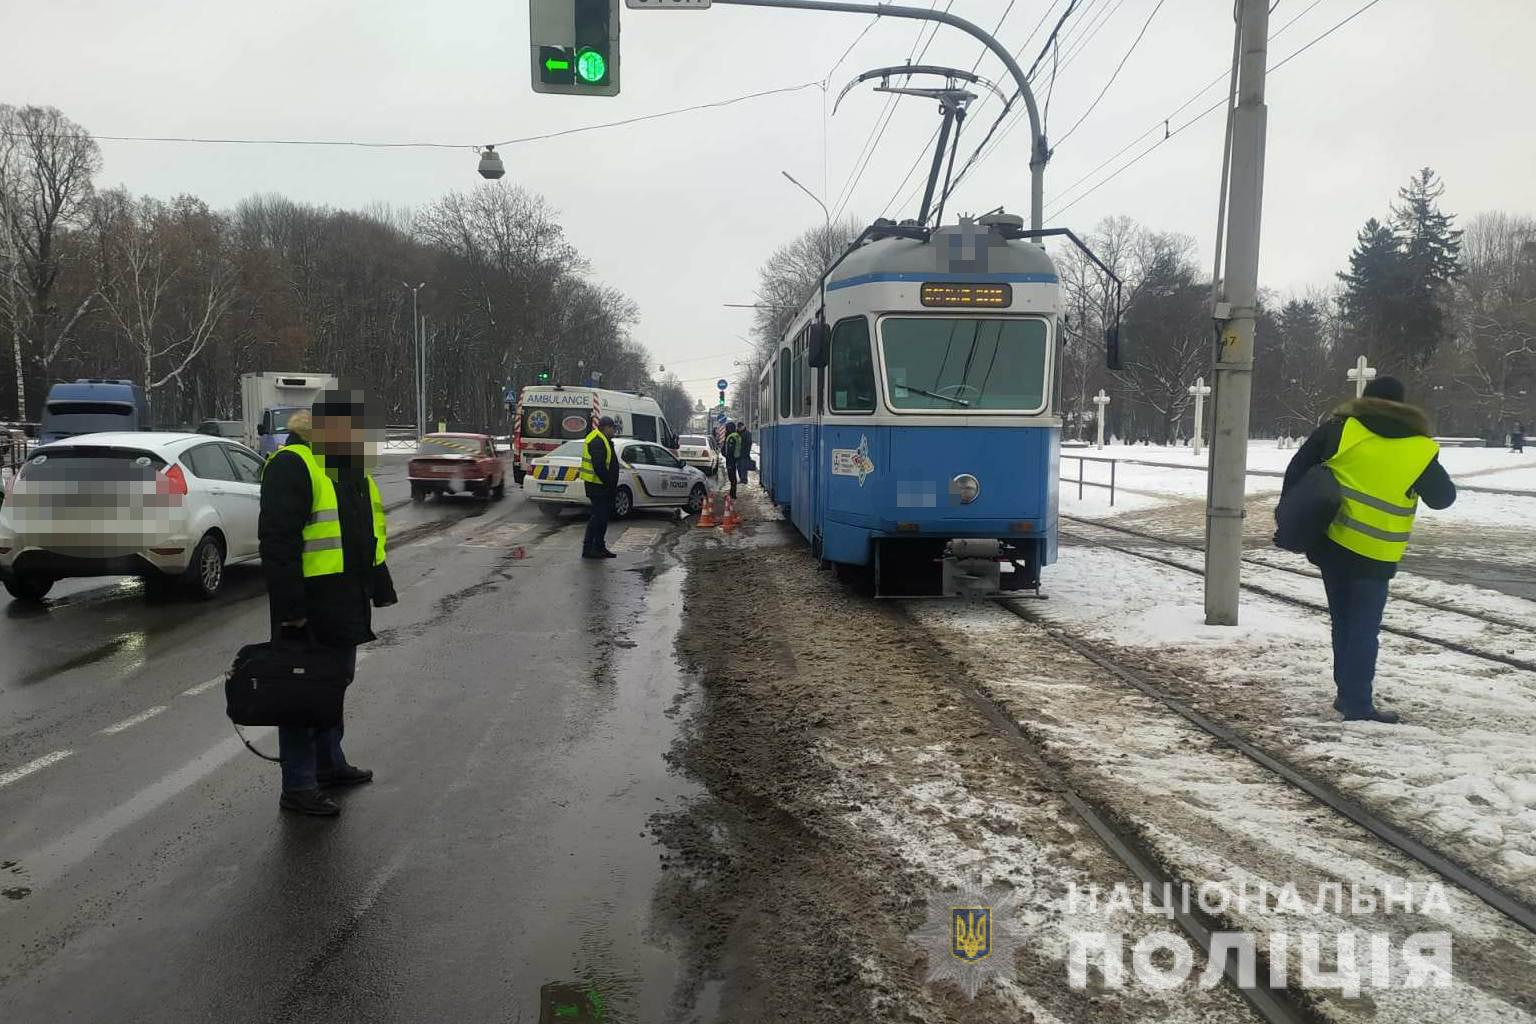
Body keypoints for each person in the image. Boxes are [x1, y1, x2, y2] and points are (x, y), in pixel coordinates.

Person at [1281, 377, 1456, 724]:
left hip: (1333, 542)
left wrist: (1293, 517)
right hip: (1379, 550)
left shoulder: (1339, 430)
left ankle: (1348, 694)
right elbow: (1443, 498)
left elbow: (1297, 471)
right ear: (1403, 405)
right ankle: (1356, 701)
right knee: (1364, 625)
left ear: (1365, 399)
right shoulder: (1419, 447)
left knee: (1343, 619)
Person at [259, 396, 397, 817]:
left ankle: (328, 764)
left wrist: (379, 585)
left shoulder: (349, 471)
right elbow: (278, 544)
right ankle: (298, 785)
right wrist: (291, 608)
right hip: (308, 603)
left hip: (345, 599)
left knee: (334, 683)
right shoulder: (292, 464)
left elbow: (367, 533)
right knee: (303, 692)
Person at [581, 415, 621, 560]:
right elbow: (599, 467)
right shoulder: (597, 441)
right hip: (597, 486)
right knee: (598, 518)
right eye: (613, 428)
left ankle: (599, 547)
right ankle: (589, 548)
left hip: (600, 485)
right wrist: (609, 483)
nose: (614, 431)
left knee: (601, 518)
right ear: (606, 427)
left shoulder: (603, 439)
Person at [723, 421, 743, 499]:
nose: (726, 430)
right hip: (734, 459)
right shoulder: (736, 435)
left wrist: (726, 455)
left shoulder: (731, 437)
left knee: (732, 477)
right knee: (732, 476)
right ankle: (732, 493)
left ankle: (733, 494)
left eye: (727, 428)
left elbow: (730, 450)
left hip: (730, 460)